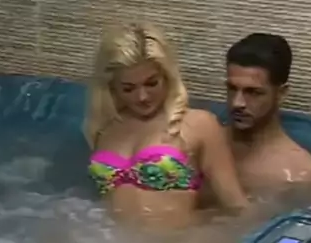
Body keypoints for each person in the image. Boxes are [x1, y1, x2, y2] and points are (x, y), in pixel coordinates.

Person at [85, 22, 248, 229]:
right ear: (112, 87)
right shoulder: (104, 127)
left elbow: (236, 207)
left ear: (167, 77)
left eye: (152, 83)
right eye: (128, 88)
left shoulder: (199, 124)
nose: (142, 97)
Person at [226, 33, 311, 195]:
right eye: (232, 89)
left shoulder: (303, 177)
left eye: (253, 92)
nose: (237, 103)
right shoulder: (204, 142)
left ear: (281, 93)